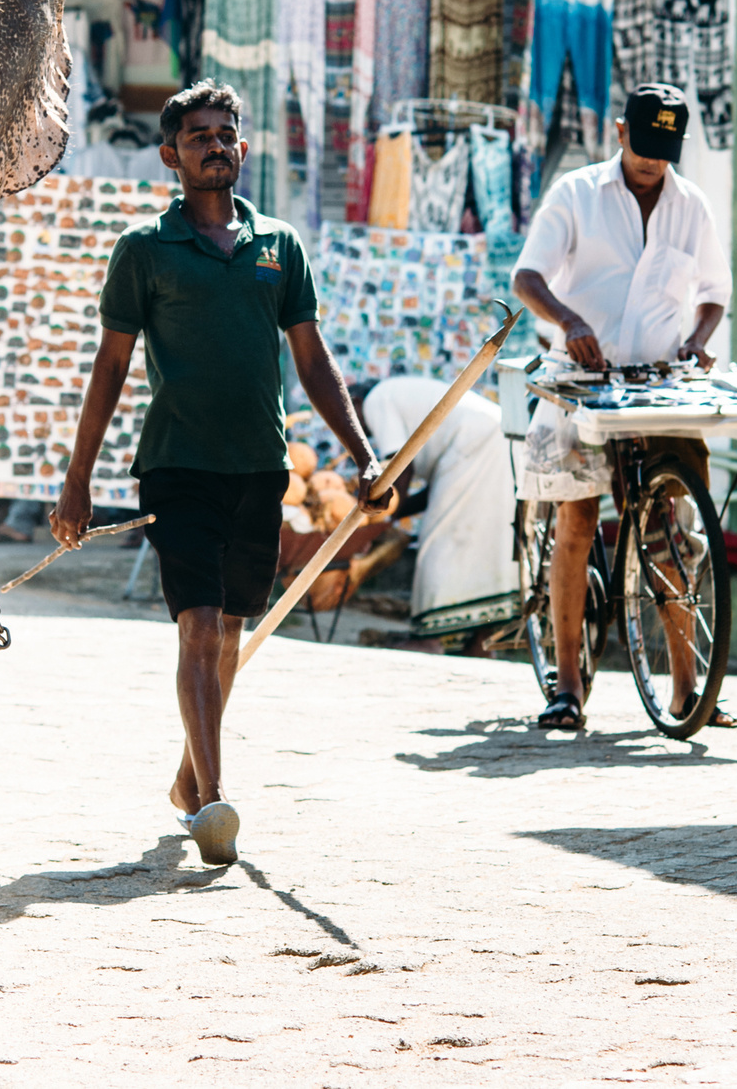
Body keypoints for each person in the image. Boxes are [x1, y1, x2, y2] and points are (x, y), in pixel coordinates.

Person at [52, 81, 392, 869]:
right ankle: (213, 801)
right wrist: (78, 480)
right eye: (197, 135)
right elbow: (110, 366)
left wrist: (362, 451)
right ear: (170, 156)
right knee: (200, 626)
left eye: (224, 132)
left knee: (233, 629)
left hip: (260, 468)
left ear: (243, 146)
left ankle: (188, 774)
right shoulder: (145, 249)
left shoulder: (279, 245)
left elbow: (312, 359)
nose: (214, 144)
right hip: (178, 464)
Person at [511, 84, 733, 733]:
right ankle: (568, 685)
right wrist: (570, 320)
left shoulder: (691, 206)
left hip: (656, 385)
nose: (651, 162)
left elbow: (714, 292)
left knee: (672, 532)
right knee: (578, 520)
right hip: (582, 378)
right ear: (618, 132)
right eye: (642, 147)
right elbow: (527, 277)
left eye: (664, 151)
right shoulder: (576, 194)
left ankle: (687, 688)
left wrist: (697, 340)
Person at [357, 375, 517, 632]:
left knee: (438, 542)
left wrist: (382, 520)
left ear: (355, 402)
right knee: (484, 546)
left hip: (477, 441)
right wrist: (391, 517)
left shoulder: (375, 400)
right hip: (496, 435)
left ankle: (432, 636)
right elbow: (429, 495)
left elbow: (400, 466)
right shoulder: (396, 392)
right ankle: (477, 642)